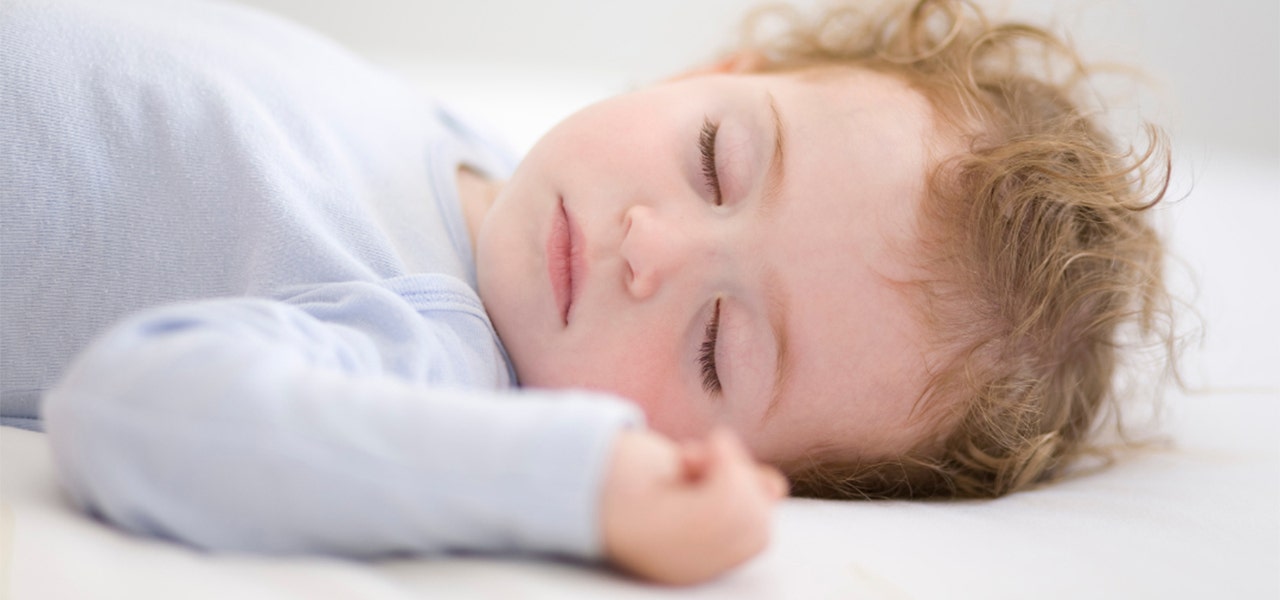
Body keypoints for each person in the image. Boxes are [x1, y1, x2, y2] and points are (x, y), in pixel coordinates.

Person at [0, 0, 1173, 586]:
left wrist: (579, 486)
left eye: (716, 346)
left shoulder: (425, 345)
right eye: (715, 157)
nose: (648, 247)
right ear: (709, 75)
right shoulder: (463, 154)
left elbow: (130, 411)